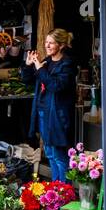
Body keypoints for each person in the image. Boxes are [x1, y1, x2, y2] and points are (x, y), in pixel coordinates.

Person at [24, 28, 77, 182]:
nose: (47, 46)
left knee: (59, 156)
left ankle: (63, 191)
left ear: (60, 45)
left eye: (51, 43)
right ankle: (55, 190)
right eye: (46, 42)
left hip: (58, 115)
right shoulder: (47, 62)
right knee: (50, 153)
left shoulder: (67, 64)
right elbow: (27, 80)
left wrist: (39, 68)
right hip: (43, 113)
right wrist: (28, 65)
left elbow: (56, 86)